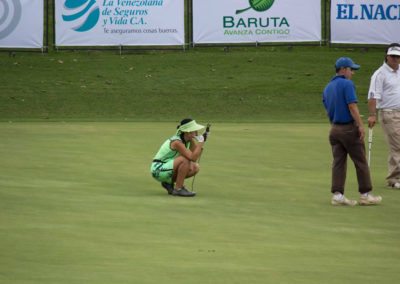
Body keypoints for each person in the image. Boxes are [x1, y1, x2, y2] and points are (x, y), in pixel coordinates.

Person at [322, 57, 382, 206]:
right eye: (351, 69)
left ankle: (338, 195)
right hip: (348, 128)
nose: (352, 73)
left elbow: (328, 109)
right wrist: (360, 125)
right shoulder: (347, 84)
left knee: (338, 163)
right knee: (361, 161)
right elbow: (352, 106)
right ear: (343, 69)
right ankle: (365, 194)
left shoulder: (327, 87)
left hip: (334, 129)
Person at [367, 43, 400, 188]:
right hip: (389, 113)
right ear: (386, 56)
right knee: (398, 145)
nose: (395, 59)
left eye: (398, 56)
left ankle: (395, 178)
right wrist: (372, 115)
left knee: (396, 146)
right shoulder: (380, 74)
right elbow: (373, 96)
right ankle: (395, 178)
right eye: (392, 56)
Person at [150, 118, 208, 197]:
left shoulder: (189, 141)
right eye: (194, 130)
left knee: (195, 167)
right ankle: (178, 189)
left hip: (167, 168)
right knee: (185, 159)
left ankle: (168, 183)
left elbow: (196, 155)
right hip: (157, 169)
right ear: (188, 132)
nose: (197, 133)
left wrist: (201, 142)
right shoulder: (177, 142)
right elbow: (192, 157)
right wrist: (201, 142)